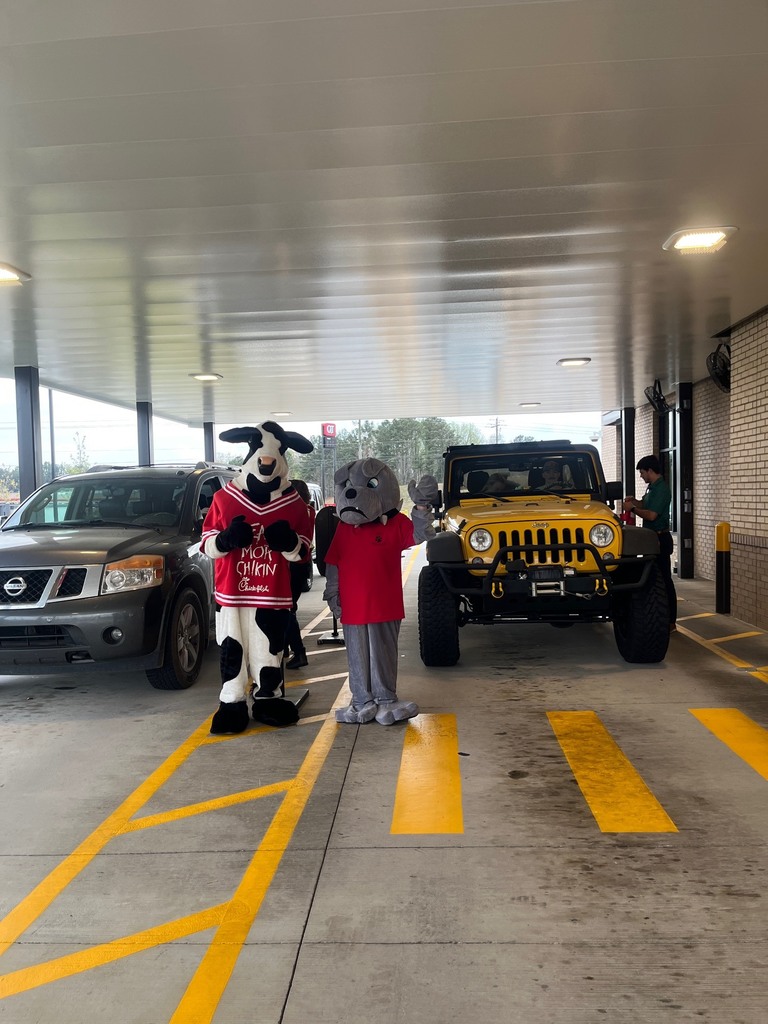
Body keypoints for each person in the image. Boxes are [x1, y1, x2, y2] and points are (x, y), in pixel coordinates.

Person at [623, 455, 677, 630]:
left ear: (650, 471)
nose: (641, 476)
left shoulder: (661, 490)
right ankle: (659, 618)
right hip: (651, 538)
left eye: (642, 472)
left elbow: (652, 515)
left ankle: (670, 621)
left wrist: (633, 508)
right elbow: (646, 505)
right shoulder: (652, 488)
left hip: (660, 538)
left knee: (663, 580)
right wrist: (635, 502)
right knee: (653, 578)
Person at [284, 479, 316, 669]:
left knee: (286, 608)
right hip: (302, 564)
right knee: (289, 606)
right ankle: (286, 647)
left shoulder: (296, 511)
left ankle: (299, 651)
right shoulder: (309, 510)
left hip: (292, 564)